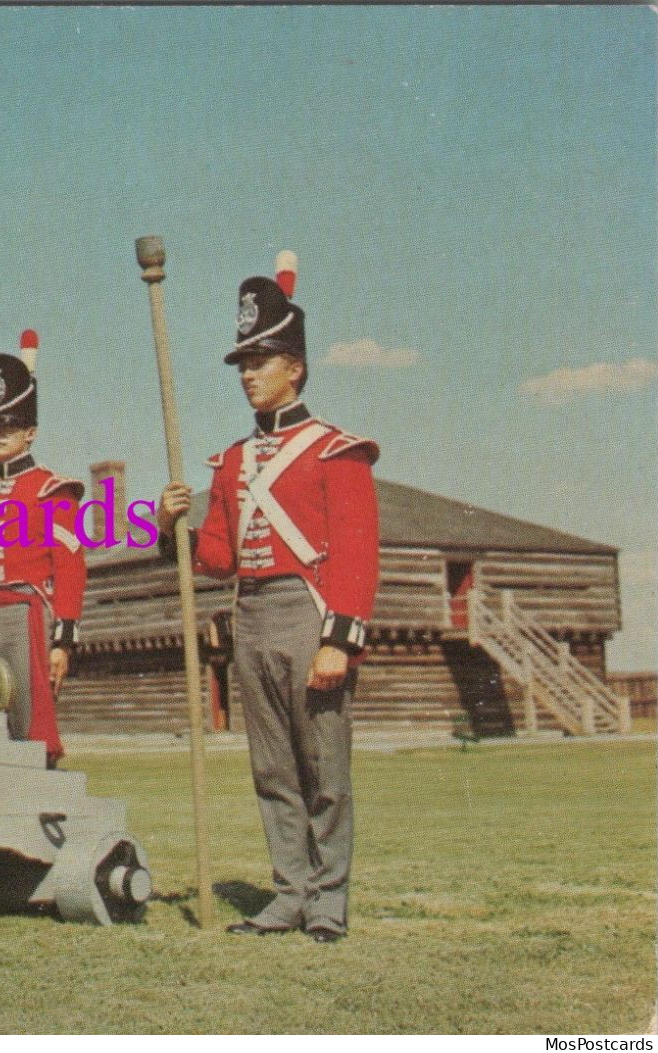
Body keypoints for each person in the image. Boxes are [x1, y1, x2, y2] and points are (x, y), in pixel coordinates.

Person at [156, 253, 380, 943]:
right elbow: (218, 560)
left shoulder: (333, 450)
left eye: (261, 360)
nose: (248, 374)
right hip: (249, 615)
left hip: (308, 614)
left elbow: (355, 551)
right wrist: (173, 528)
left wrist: (337, 640)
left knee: (324, 769)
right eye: (242, 363)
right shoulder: (231, 460)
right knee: (271, 767)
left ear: (295, 367)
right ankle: (287, 893)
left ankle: (327, 902)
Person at [0, 330, 87, 768]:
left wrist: (63, 639)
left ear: (30, 432)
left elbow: (69, 567)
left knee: (29, 725)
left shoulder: (51, 490)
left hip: (26, 616)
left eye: (8, 425)